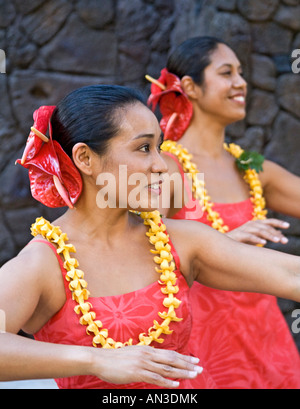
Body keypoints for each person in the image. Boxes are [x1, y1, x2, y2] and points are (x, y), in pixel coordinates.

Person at [1, 85, 300, 390]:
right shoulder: (44, 263)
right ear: (85, 159)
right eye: (144, 148)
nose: (160, 165)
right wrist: (95, 360)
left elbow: (291, 275)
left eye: (159, 147)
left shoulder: (180, 241)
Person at [146, 36, 300, 389]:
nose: (241, 82)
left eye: (241, 73)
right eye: (226, 72)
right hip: (202, 347)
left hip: (266, 338)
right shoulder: (166, 166)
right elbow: (136, 255)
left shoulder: (248, 163)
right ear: (190, 87)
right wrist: (218, 245)